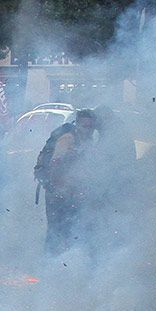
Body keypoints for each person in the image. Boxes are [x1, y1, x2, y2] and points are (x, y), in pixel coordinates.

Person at [35, 109, 96, 254]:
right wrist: (59, 189)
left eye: (90, 127)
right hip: (57, 192)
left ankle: (66, 264)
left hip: (71, 193)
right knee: (56, 230)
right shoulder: (67, 139)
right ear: (78, 124)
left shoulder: (87, 140)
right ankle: (49, 265)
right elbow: (54, 165)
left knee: (71, 230)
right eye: (84, 126)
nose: (87, 130)